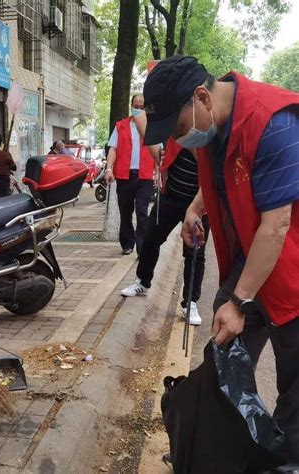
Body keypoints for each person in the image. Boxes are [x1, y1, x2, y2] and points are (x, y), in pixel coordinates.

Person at [143, 55, 299, 468]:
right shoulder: (209, 127)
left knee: (296, 387)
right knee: (223, 362)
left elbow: (277, 225)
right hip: (255, 257)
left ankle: (282, 462)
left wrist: (240, 300)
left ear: (201, 98)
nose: (180, 139)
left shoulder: (273, 123)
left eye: (178, 129)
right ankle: (220, 449)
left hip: (293, 266)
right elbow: (220, 181)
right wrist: (197, 208)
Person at [121, 138, 210, 326]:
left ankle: (190, 303)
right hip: (170, 198)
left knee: (195, 254)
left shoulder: (211, 136)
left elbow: (209, 165)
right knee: (150, 239)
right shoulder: (176, 130)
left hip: (200, 204)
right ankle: (143, 281)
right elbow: (150, 132)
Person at [105, 93, 158, 255]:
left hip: (145, 177)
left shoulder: (152, 126)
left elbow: (158, 151)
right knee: (125, 211)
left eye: (142, 107)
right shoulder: (121, 126)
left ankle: (142, 247)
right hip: (124, 176)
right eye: (136, 106)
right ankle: (127, 244)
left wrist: (158, 172)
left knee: (142, 212)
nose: (139, 109)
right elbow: (113, 148)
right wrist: (109, 168)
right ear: (131, 106)